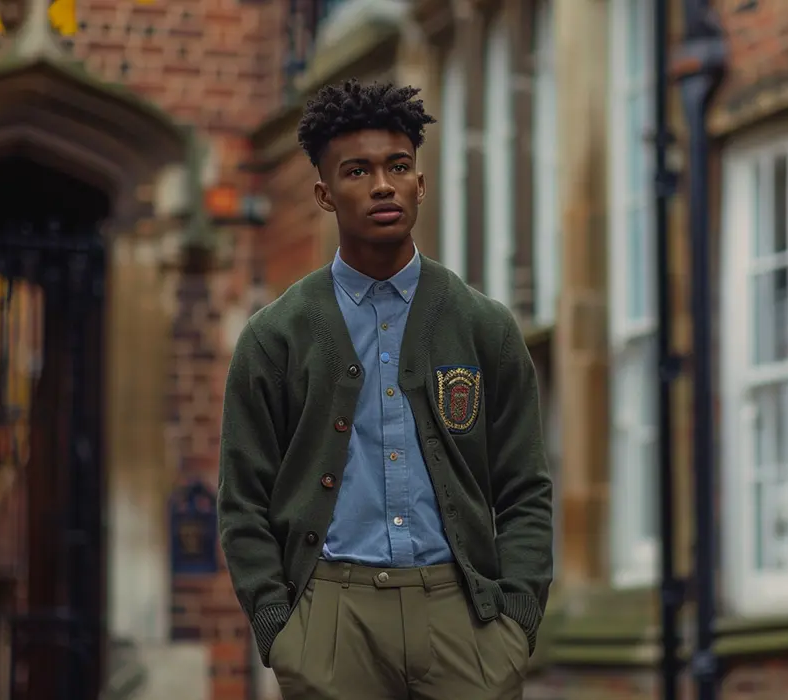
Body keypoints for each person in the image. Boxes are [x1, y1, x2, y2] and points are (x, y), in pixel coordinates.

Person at [218, 79, 553, 700]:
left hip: (466, 617)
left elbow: (525, 490)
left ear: (420, 183)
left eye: (398, 166)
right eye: (357, 171)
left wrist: (517, 621)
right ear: (324, 194)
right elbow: (243, 503)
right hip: (332, 618)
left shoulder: (484, 327)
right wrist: (280, 630)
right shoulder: (275, 338)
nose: (382, 185)